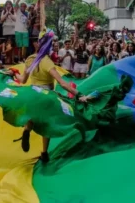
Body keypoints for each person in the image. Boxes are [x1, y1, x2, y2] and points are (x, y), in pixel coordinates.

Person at [9, 28, 87, 162]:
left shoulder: (30, 59)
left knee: (32, 115)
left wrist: (14, 73)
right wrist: (79, 94)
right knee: (47, 124)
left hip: (33, 93)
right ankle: (44, 153)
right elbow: (62, 83)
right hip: (46, 95)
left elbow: (22, 80)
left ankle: (27, 128)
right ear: (50, 45)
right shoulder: (47, 62)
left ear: (38, 43)